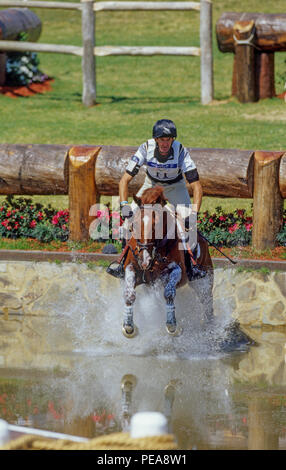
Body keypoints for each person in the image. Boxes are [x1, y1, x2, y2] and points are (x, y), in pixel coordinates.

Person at [107, 119, 205, 280]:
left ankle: (192, 267)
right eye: (161, 139)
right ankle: (122, 264)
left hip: (176, 188)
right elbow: (124, 180)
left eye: (168, 140)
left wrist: (193, 213)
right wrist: (124, 205)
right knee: (127, 225)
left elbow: (197, 187)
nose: (165, 144)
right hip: (150, 185)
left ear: (172, 139)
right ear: (156, 140)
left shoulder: (180, 151)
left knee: (189, 229)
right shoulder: (145, 148)